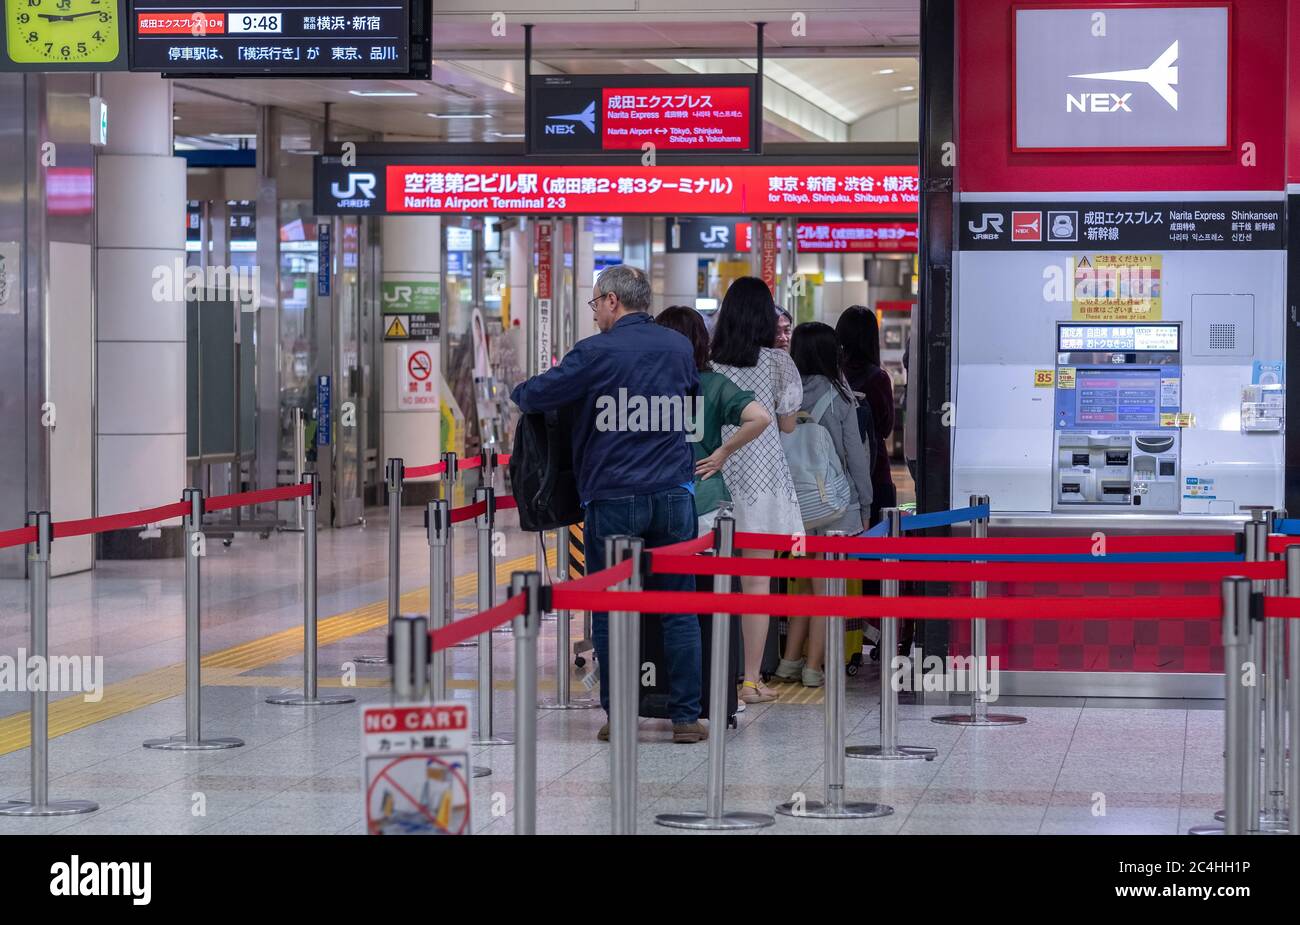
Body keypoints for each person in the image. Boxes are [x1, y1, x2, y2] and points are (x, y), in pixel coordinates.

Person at [511, 265, 707, 744]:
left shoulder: (595, 352)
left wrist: (520, 390)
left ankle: (620, 716)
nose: (595, 312)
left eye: (596, 303)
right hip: (673, 496)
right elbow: (691, 400)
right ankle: (685, 717)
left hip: (614, 496)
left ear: (614, 301)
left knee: (611, 608)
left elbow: (537, 395)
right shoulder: (679, 347)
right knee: (679, 607)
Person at [710, 277, 803, 704]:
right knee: (757, 584)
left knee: (711, 582)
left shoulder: (709, 365)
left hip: (716, 475)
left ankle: (710, 676)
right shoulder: (778, 363)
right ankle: (750, 681)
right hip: (764, 481)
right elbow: (786, 424)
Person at [774, 322, 874, 688]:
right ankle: (813, 667)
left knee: (803, 584)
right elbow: (855, 458)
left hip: (796, 509)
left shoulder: (785, 393)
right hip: (834, 507)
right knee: (827, 586)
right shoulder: (840, 395)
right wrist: (865, 503)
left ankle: (789, 662)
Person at [653, 306, 771, 535]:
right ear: (701, 341)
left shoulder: (648, 384)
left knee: (662, 570)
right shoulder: (715, 384)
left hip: (659, 499)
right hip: (708, 498)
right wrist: (723, 452)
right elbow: (761, 417)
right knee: (712, 570)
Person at [836, 305, 896, 524]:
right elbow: (886, 427)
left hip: (837, 471)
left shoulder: (832, 374)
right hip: (874, 470)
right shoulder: (878, 378)